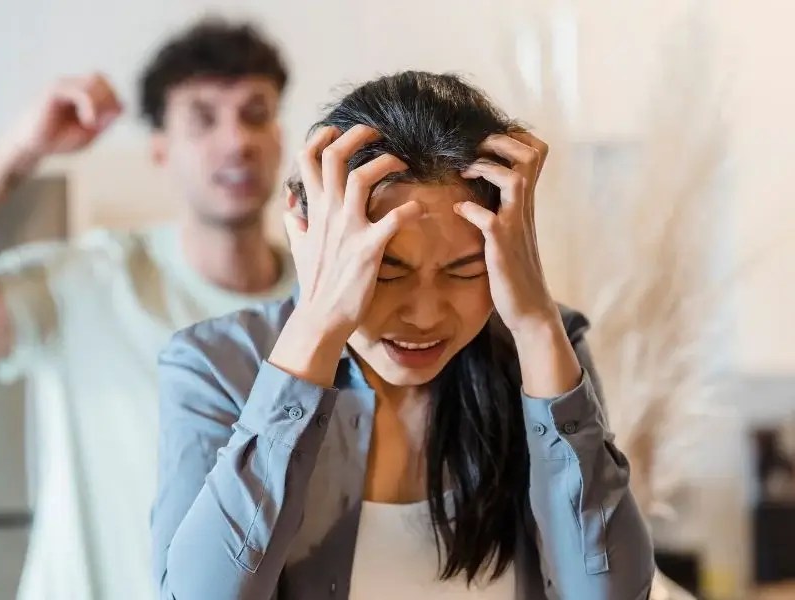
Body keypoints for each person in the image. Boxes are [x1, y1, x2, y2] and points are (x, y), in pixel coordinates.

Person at [152, 71, 656, 599]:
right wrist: (319, 324)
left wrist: (535, 326)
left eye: (465, 270)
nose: (424, 314)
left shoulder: (542, 352)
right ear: (308, 232)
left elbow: (611, 594)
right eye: (386, 271)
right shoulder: (213, 366)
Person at [0, 20, 295, 600]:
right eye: (202, 119)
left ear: (279, 137)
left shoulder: (321, 304)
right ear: (160, 148)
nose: (236, 141)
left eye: (255, 114)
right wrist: (19, 152)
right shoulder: (91, 282)